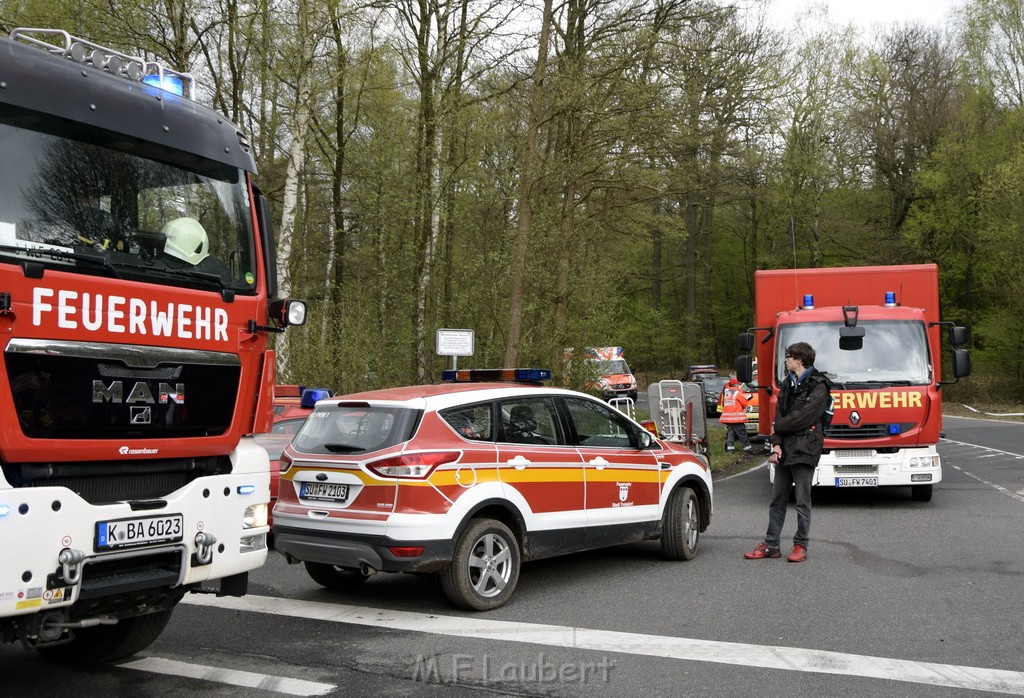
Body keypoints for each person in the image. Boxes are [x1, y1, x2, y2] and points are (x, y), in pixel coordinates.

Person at [744, 341, 830, 563]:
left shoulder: (819, 385)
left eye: (789, 356)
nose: (786, 360)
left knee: (802, 501)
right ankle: (771, 545)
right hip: (785, 448)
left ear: (800, 359)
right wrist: (776, 443)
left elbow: (805, 417)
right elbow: (779, 415)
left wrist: (777, 429)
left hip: (805, 448)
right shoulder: (787, 383)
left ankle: (801, 545)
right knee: (777, 500)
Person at [719, 378, 753, 453]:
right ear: (735, 384)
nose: (739, 386)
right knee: (742, 433)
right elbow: (744, 403)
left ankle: (730, 448)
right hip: (736, 418)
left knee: (731, 433)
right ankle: (748, 449)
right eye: (738, 384)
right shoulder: (737, 393)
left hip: (728, 418)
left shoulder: (727, 392)